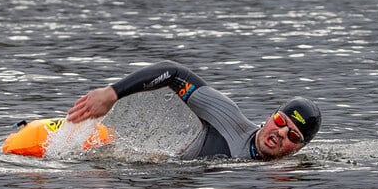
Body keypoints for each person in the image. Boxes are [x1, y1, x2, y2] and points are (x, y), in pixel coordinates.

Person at [65, 60, 321, 161]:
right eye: (280, 121)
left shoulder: (289, 177)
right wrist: (112, 93)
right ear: (270, 116)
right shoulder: (227, 118)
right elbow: (173, 72)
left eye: (293, 135)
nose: (280, 133)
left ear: (299, 149)